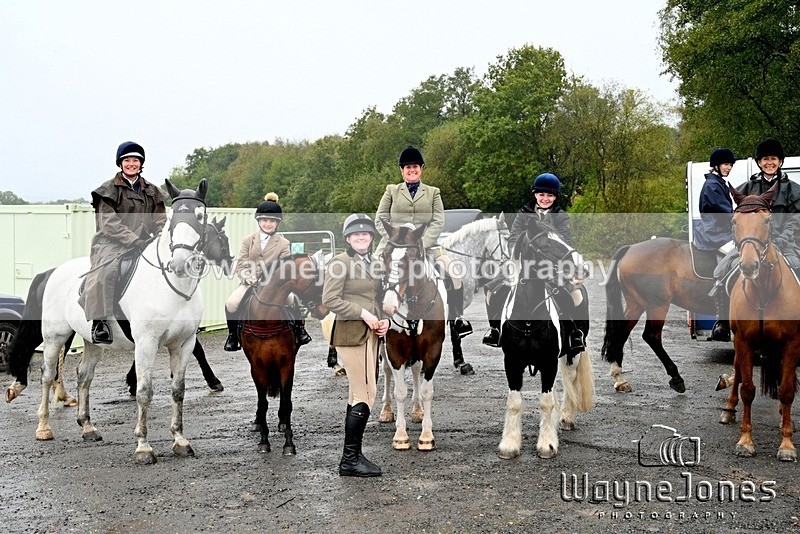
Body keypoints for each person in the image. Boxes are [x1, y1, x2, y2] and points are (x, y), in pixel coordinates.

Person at [482, 173, 587, 355]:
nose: (545, 199)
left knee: (577, 294)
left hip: (551, 265)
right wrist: (517, 255)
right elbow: (513, 238)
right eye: (542, 194)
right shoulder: (523, 214)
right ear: (535, 194)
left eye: (550, 195)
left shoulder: (560, 216)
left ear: (555, 197)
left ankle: (575, 333)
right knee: (491, 290)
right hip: (522, 264)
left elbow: (564, 241)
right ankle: (495, 330)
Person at [375, 146, 472, 338]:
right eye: (407, 167)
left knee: (454, 274)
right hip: (394, 245)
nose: (411, 170)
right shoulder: (392, 191)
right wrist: (395, 241)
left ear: (422, 168)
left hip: (424, 245)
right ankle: (375, 317)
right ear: (401, 170)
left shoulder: (433, 192)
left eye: (415, 167)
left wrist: (422, 243)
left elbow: (438, 221)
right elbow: (380, 218)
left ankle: (457, 319)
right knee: (372, 274)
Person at [711, 138, 800, 341]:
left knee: (798, 267)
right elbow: (737, 218)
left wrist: (780, 241)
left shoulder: (794, 190)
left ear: (780, 162)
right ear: (759, 162)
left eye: (774, 159)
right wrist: (744, 241)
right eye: (765, 159)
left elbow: (796, 220)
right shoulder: (747, 187)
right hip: (751, 244)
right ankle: (723, 321)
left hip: (785, 244)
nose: (770, 162)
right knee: (722, 271)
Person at [80, 141, 167, 344]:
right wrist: (132, 239)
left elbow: (160, 219)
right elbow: (108, 222)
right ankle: (99, 322)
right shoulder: (108, 189)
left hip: (144, 242)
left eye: (135, 160)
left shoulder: (152, 190)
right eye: (127, 160)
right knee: (106, 271)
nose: (131, 164)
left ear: (141, 163)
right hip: (111, 243)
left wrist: (160, 237)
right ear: (120, 163)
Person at [322, 213, 389, 477]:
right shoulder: (340, 262)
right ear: (348, 239)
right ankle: (349, 460)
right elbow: (330, 299)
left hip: (372, 333)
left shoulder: (374, 262)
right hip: (351, 334)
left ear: (371, 238)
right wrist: (364, 314)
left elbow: (378, 296)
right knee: (365, 394)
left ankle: (352, 455)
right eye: (356, 234)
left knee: (358, 393)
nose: (361, 237)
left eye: (366, 234)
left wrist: (383, 319)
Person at [223, 193, 311, 351]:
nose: (268, 224)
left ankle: (300, 330)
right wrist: (247, 277)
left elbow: (285, 267)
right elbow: (241, 264)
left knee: (292, 300)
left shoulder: (283, 243)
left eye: (272, 221)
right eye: (265, 220)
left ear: (277, 223)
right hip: (250, 282)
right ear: (259, 221)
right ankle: (233, 336)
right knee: (231, 303)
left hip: (274, 284)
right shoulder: (248, 240)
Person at [694, 148, 736, 341]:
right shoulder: (712, 184)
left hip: (721, 231)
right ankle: (721, 321)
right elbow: (726, 212)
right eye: (726, 164)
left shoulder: (719, 182)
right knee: (734, 259)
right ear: (717, 166)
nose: (729, 168)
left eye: (730, 164)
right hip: (714, 234)